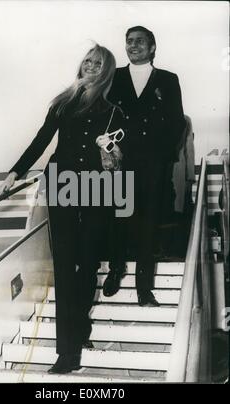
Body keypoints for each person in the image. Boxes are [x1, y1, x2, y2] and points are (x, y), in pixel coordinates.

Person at [0, 44, 126, 374]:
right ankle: (66, 353)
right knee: (66, 265)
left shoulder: (114, 111)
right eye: (86, 61)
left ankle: (79, 327)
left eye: (97, 63)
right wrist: (17, 170)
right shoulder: (62, 103)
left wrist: (111, 150)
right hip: (61, 183)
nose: (90, 66)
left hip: (98, 186)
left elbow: (122, 160)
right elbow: (42, 140)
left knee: (86, 264)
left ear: (106, 70)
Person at [102, 26, 186, 306]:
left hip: (153, 163)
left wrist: (162, 156)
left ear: (152, 47)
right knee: (117, 219)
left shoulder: (168, 79)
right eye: (129, 41)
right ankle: (115, 271)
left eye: (139, 41)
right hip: (120, 162)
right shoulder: (113, 78)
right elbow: (104, 118)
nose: (133, 45)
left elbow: (177, 123)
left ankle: (143, 287)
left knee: (148, 224)